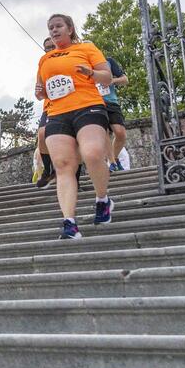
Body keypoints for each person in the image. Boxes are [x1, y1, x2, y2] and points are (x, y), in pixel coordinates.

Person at [35, 14, 114, 240]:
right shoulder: (45, 59)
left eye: (58, 26)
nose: (54, 30)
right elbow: (40, 89)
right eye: (50, 28)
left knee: (92, 153)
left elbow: (106, 77)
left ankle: (102, 200)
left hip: (87, 106)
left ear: (70, 28)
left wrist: (91, 73)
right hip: (57, 113)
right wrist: (40, 92)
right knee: (62, 164)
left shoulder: (86, 49)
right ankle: (69, 222)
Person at [100, 56, 129, 171]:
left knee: (120, 134)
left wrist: (112, 81)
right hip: (93, 103)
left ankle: (114, 159)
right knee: (104, 132)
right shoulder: (80, 64)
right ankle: (111, 163)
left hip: (111, 102)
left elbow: (125, 79)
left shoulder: (108, 61)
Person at [34, 37, 56, 189]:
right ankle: (48, 169)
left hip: (72, 104)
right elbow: (38, 90)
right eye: (46, 48)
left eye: (51, 47)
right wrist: (39, 92)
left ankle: (75, 177)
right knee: (41, 134)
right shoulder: (43, 62)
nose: (49, 50)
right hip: (50, 105)